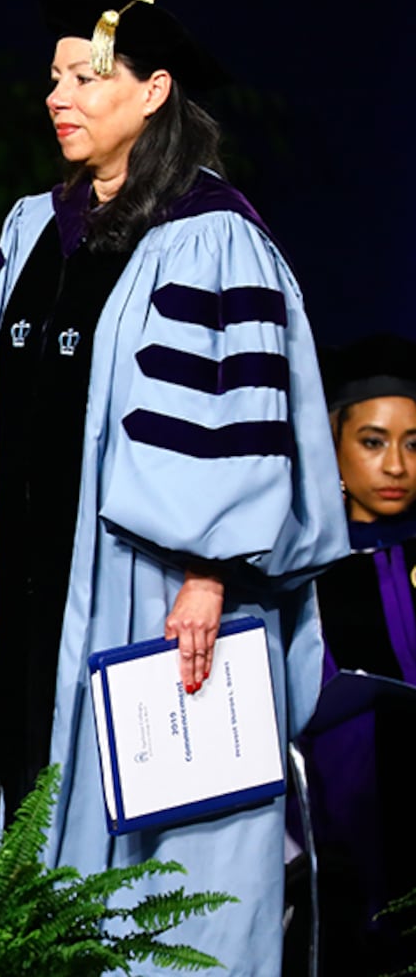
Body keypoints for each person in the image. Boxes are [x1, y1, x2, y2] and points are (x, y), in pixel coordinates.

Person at [0, 0, 347, 973]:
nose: (59, 96)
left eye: (88, 77)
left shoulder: (212, 233)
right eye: (54, 78)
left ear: (155, 90)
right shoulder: (35, 225)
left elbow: (237, 420)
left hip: (160, 593)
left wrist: (209, 575)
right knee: (42, 805)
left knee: (175, 841)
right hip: (37, 586)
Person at [293, 333, 416, 973]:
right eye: (373, 441)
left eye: (413, 443)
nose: (395, 465)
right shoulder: (304, 573)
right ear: (334, 449)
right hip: (338, 828)